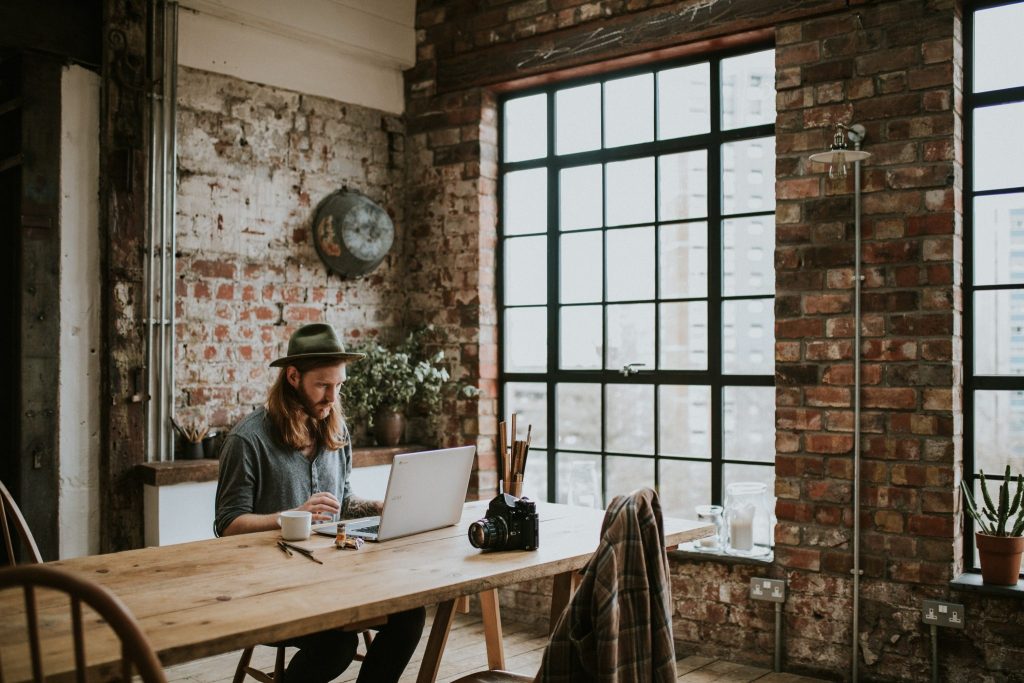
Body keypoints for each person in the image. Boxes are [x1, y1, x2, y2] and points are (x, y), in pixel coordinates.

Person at [214, 322, 425, 683]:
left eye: (338, 385)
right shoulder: (247, 441)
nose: (332, 397)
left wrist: (380, 506)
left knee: (411, 614)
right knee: (336, 646)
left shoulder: (337, 432)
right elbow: (227, 525)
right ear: (293, 377)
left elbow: (342, 502)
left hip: (330, 581)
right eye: (323, 386)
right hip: (268, 590)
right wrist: (289, 517)